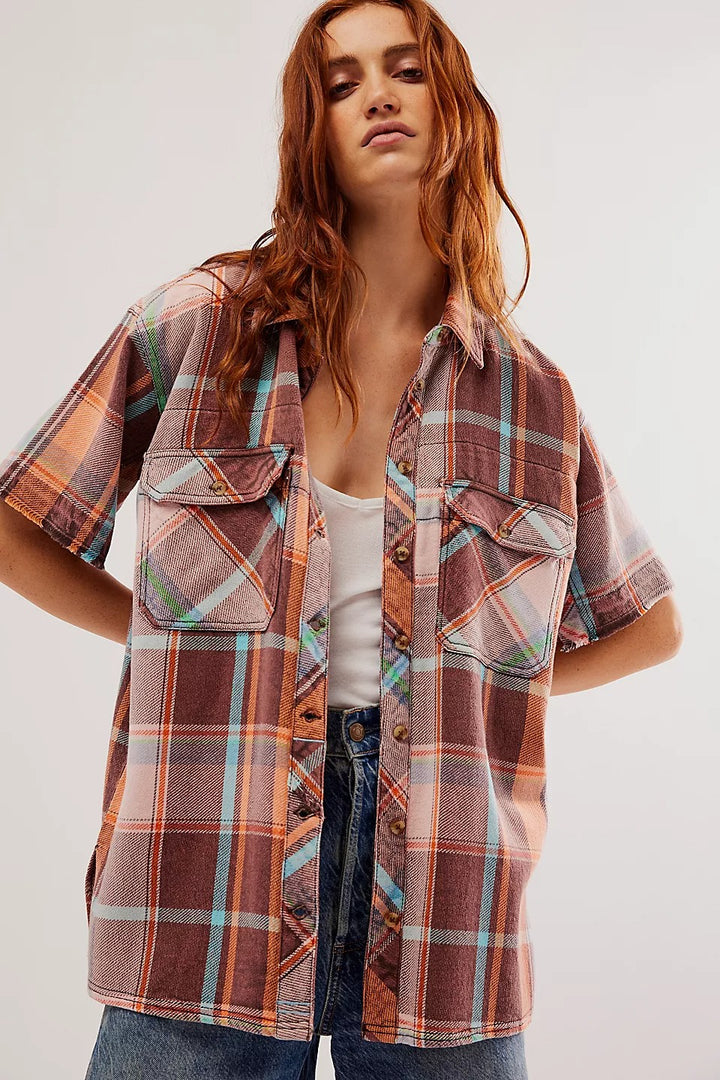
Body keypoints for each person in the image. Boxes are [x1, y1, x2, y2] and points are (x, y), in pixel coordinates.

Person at [0, 1, 682, 1077]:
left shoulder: (531, 398)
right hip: (208, 867)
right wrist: (160, 637)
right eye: (340, 82)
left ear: (453, 107)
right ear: (310, 128)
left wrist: (482, 686)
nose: (376, 96)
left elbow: (651, 625)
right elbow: (18, 524)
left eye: (406, 70)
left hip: (446, 900)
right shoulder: (198, 327)